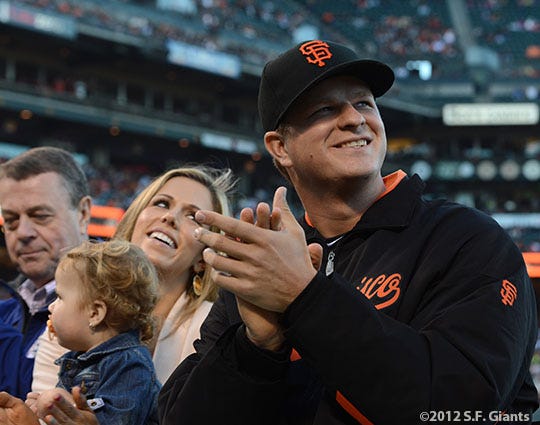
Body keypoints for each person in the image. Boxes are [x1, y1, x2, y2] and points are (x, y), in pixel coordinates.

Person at [158, 40, 539, 424]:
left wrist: (304, 299)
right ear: (280, 147)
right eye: (325, 109)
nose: (354, 119)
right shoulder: (262, 264)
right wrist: (255, 349)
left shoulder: (467, 239)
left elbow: (462, 406)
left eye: (364, 103)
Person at [114, 165, 235, 384]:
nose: (170, 217)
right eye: (162, 203)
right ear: (134, 221)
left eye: (193, 217)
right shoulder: (80, 299)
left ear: (202, 259)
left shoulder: (211, 330)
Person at [26, 239, 160, 425]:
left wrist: (62, 401)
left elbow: (118, 420)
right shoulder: (78, 358)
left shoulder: (130, 364)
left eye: (60, 297)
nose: (51, 307)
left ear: (95, 313)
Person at [0, 147, 91, 398]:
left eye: (40, 216)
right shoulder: (5, 312)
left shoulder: (116, 314)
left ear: (83, 214)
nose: (23, 233)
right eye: (11, 221)